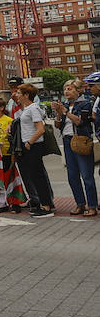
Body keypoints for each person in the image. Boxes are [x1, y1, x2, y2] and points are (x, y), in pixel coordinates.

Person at [52, 79, 95, 216]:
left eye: (70, 89)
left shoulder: (86, 104)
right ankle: (80, 204)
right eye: (65, 89)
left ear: (78, 91)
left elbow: (79, 121)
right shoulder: (64, 105)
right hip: (67, 141)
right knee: (72, 176)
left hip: (81, 140)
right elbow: (57, 125)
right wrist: (59, 113)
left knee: (87, 175)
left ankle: (92, 205)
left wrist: (65, 112)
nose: (66, 92)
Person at [12, 82, 53, 217]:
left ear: (26, 95)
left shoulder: (33, 108)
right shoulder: (28, 108)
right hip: (29, 145)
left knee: (38, 176)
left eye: (19, 93)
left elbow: (40, 129)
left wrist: (29, 142)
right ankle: (43, 204)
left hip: (34, 145)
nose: (16, 95)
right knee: (35, 175)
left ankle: (46, 206)